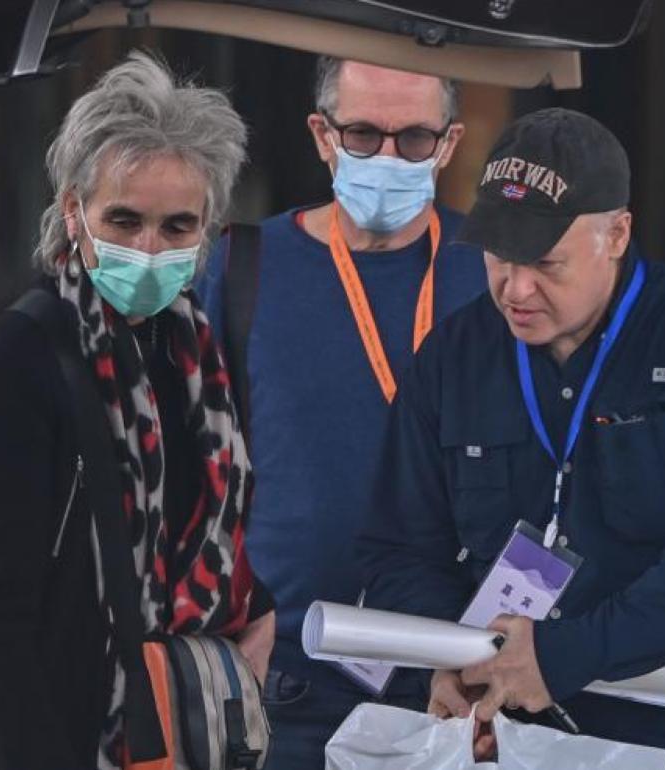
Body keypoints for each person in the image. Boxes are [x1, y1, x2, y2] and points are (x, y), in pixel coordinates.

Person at [358, 107, 665, 769]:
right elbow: (400, 546)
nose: (516, 288)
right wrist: (447, 660)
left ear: (616, 234)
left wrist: (565, 654)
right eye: (499, 257)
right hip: (511, 744)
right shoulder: (455, 357)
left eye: (545, 262)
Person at [0, 52, 275, 770]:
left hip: (176, 736)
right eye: (125, 220)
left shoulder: (193, 355)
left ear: (207, 229)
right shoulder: (25, 360)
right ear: (73, 214)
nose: (149, 249)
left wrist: (254, 609)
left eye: (178, 227)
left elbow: (189, 531)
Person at [198, 57, 487, 769]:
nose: (388, 157)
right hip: (285, 675)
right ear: (322, 137)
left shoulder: (494, 273)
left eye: (413, 140)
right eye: (363, 135)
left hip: (458, 673)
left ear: (448, 145)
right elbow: (193, 465)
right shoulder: (243, 266)